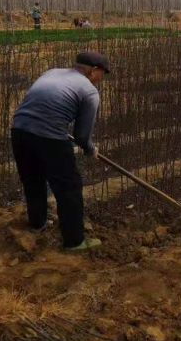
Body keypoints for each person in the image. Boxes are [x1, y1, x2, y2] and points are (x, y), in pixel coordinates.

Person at [11, 51, 109, 252]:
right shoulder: (89, 91)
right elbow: (81, 136)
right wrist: (91, 149)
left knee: (33, 180)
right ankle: (74, 241)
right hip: (49, 137)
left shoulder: (52, 73)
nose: (101, 79)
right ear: (94, 71)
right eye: (102, 74)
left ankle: (37, 224)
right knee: (69, 188)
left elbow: (42, 107)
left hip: (19, 130)